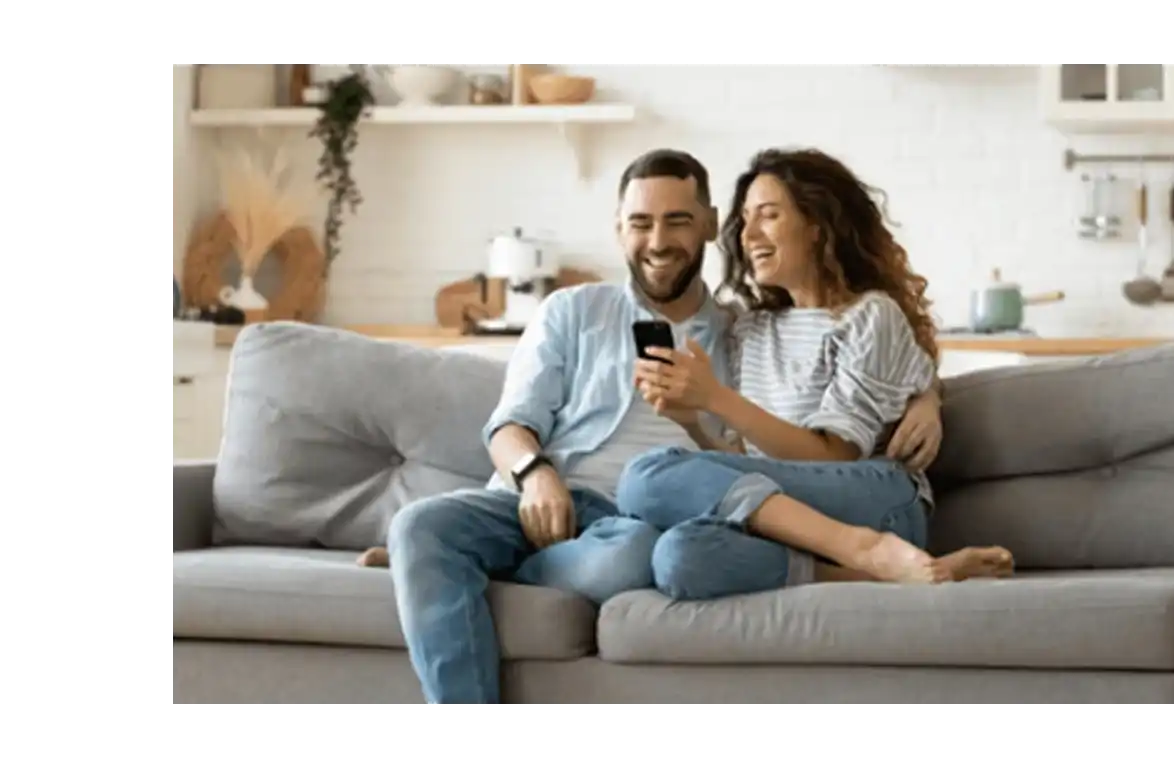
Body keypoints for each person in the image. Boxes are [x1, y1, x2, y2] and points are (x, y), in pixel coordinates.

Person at [376, 148, 942, 704]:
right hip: (534, 500)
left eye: (678, 221)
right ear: (618, 227)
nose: (658, 242)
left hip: (631, 524)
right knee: (418, 526)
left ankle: (468, 571)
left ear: (708, 226)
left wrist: (927, 397)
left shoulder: (737, 330)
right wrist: (535, 473)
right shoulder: (572, 310)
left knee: (642, 552)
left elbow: (863, 365)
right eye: (640, 223)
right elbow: (508, 427)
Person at [617, 147, 1013, 601]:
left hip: (874, 499)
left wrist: (716, 398)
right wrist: (691, 421)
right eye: (745, 219)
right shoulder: (752, 328)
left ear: (818, 226)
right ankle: (883, 571)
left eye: (768, 215)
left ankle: (866, 547)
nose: (748, 235)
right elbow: (747, 466)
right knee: (679, 556)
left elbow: (834, 457)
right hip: (794, 511)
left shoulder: (869, 316)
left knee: (644, 476)